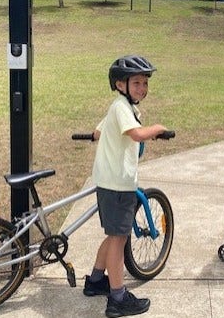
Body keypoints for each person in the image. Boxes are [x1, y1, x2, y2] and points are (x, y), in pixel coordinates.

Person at [83, 55, 168, 317]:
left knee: (113, 236)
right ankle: (118, 298)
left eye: (145, 83)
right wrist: (156, 129)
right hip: (118, 185)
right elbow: (136, 134)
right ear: (121, 85)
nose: (142, 88)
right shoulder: (122, 108)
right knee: (119, 241)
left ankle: (97, 280)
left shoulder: (121, 107)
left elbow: (99, 132)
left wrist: (98, 134)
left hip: (111, 182)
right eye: (137, 83)